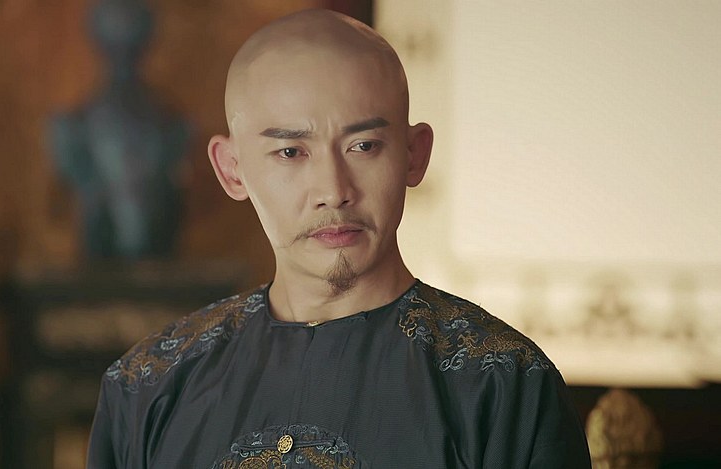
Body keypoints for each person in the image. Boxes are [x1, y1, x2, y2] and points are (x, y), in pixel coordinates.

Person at [86, 9, 591, 468]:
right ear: (231, 169)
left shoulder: (501, 384)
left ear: (414, 154)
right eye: (290, 153)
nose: (333, 190)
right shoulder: (150, 384)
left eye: (364, 146)